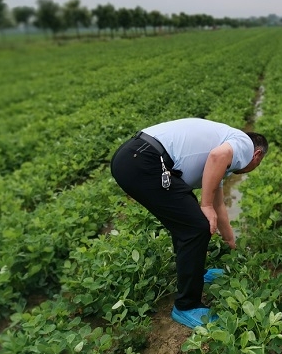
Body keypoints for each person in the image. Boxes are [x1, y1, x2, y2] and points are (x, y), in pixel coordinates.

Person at [110, 118, 268, 329]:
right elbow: (217, 157)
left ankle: (196, 272)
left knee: (189, 219)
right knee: (195, 226)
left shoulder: (222, 154)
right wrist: (205, 205)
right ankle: (186, 306)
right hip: (143, 159)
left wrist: (230, 240)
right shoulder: (243, 144)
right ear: (257, 156)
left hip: (136, 156)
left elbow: (218, 203)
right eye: (258, 164)